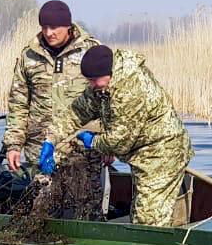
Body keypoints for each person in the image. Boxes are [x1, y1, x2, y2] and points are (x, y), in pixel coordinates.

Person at [40, 45, 193, 227]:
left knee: (149, 221)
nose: (91, 85)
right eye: (88, 80)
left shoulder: (131, 89)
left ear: (108, 72)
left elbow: (119, 142)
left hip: (163, 152)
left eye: (93, 80)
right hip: (142, 156)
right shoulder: (103, 84)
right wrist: (50, 140)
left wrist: (92, 141)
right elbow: (77, 112)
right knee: (141, 213)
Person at [3, 0, 106, 219]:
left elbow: (106, 99)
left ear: (68, 26)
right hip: (40, 151)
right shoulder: (29, 56)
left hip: (82, 150)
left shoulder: (91, 51)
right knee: (42, 213)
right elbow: (18, 104)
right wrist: (13, 145)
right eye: (44, 27)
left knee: (85, 213)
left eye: (55, 28)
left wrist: (108, 143)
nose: (49, 33)